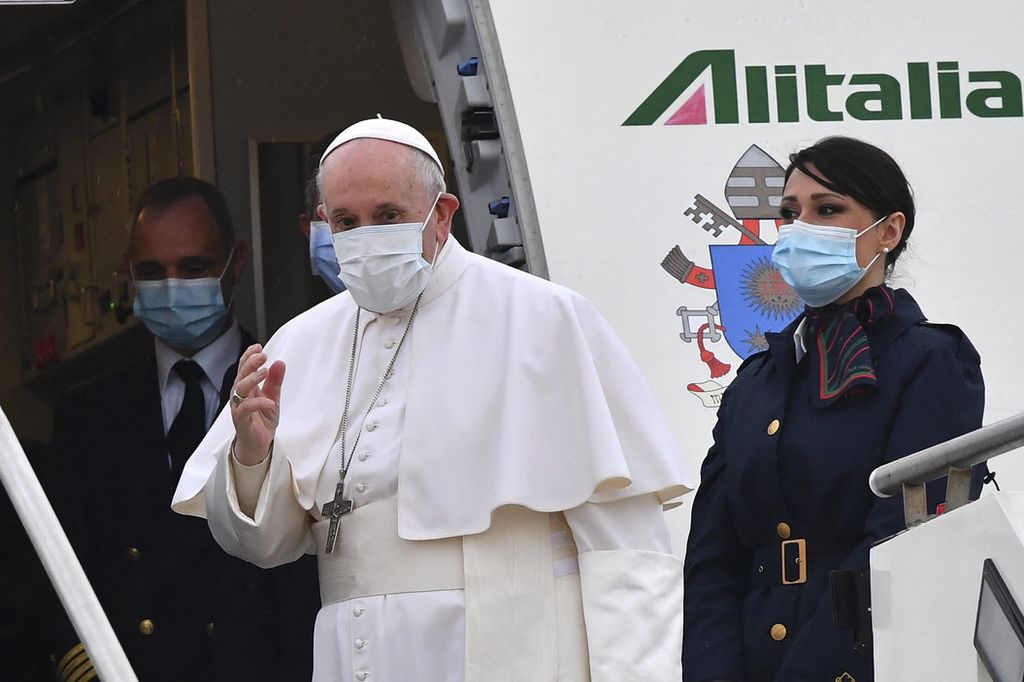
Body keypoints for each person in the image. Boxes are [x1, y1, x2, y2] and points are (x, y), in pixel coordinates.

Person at [173, 117, 691, 682]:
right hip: (355, 655)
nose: (365, 234)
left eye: (389, 216)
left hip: (511, 653)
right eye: (346, 221)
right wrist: (252, 456)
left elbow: (627, 552)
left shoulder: (542, 318)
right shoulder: (299, 343)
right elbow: (264, 546)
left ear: (442, 215)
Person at [681, 136, 988, 682]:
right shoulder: (756, 380)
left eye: (827, 209)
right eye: (789, 213)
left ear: (888, 232)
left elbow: (903, 540)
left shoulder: (930, 361)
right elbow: (712, 555)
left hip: (862, 661)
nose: (800, 229)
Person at [50, 177, 320, 682]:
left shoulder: (296, 382)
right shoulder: (88, 416)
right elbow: (66, 570)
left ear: (235, 263)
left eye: (193, 267)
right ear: (128, 274)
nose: (172, 287)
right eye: (152, 272)